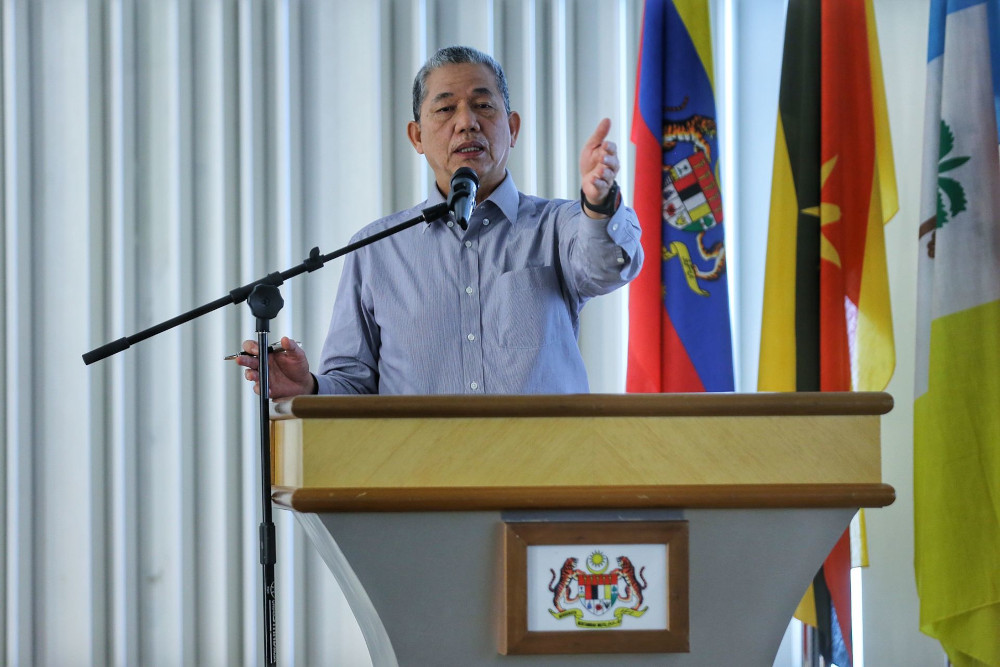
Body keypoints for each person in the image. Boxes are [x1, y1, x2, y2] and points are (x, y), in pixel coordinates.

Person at [237, 45, 643, 397]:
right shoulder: (376, 250)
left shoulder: (559, 225)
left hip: (545, 476)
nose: (466, 121)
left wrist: (600, 202)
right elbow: (354, 385)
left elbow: (606, 268)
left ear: (512, 127)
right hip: (418, 480)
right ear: (416, 136)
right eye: (446, 108)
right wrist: (308, 385)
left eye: (483, 105)